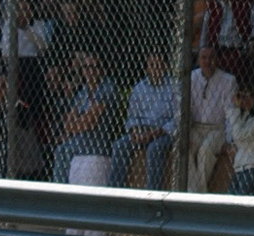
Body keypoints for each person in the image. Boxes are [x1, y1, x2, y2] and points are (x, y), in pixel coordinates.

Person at [108, 50, 177, 190]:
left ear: (165, 67)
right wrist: (135, 132)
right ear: (147, 68)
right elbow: (132, 117)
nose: (155, 68)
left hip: (163, 132)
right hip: (141, 130)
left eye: (159, 65)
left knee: (154, 148)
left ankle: (153, 193)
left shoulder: (174, 87)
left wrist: (154, 133)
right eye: (152, 65)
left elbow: (177, 118)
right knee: (120, 145)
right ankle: (115, 190)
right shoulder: (139, 88)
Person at [50, 51, 117, 184]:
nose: (89, 71)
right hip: (80, 139)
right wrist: (79, 123)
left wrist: (78, 123)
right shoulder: (83, 92)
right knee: (60, 149)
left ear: (101, 69)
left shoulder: (107, 88)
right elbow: (68, 124)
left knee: (63, 150)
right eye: (86, 67)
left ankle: (59, 188)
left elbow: (90, 122)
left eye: (93, 67)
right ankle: (59, 189)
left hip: (99, 140)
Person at [189, 45, 236, 192]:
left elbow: (230, 112)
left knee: (206, 151)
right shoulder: (191, 77)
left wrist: (229, 139)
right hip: (196, 126)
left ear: (217, 60)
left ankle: (197, 194)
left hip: (217, 128)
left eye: (211, 58)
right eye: (204, 58)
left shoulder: (228, 80)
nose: (208, 61)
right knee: (185, 148)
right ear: (198, 60)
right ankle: (193, 192)